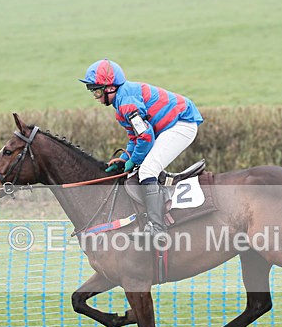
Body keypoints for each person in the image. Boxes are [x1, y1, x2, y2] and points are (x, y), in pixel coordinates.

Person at [79, 58, 203, 243]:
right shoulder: (120, 105)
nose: (95, 97)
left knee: (146, 170)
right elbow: (135, 137)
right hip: (171, 125)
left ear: (111, 88)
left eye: (96, 91)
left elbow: (145, 137)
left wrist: (134, 161)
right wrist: (124, 158)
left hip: (182, 124)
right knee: (140, 168)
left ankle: (157, 229)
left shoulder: (127, 103)